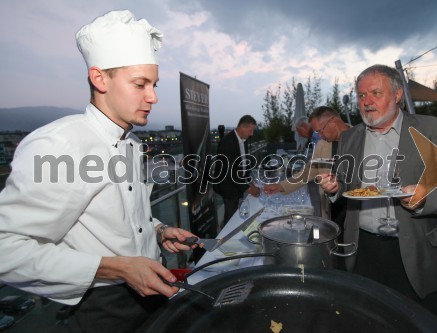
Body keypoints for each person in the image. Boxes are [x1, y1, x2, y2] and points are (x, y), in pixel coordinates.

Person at [0, 10, 198, 332]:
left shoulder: (130, 143)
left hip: (151, 294)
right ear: (99, 79)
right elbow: (5, 248)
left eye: (154, 84)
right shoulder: (61, 145)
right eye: (140, 84)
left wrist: (158, 231)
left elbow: (122, 219)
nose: (153, 96)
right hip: (103, 310)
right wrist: (116, 269)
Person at [318, 64, 437, 316]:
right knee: (366, 320)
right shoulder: (351, 137)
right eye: (362, 96)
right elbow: (345, 182)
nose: (367, 102)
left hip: (415, 251)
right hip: (362, 250)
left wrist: (428, 197)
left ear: (396, 95)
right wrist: (335, 187)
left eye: (375, 93)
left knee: (414, 321)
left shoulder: (435, 131)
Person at [264, 106, 350, 220]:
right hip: (331, 210)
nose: (319, 136)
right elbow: (308, 172)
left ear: (333, 122)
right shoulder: (323, 144)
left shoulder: (360, 138)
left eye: (320, 130)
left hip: (355, 211)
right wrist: (281, 186)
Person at [214, 115, 260, 225]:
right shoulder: (227, 142)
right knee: (230, 218)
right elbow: (230, 171)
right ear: (243, 127)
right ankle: (226, 240)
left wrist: (249, 181)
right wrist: (248, 188)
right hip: (228, 186)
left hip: (238, 183)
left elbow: (244, 164)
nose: (252, 134)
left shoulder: (243, 140)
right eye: (251, 130)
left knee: (238, 215)